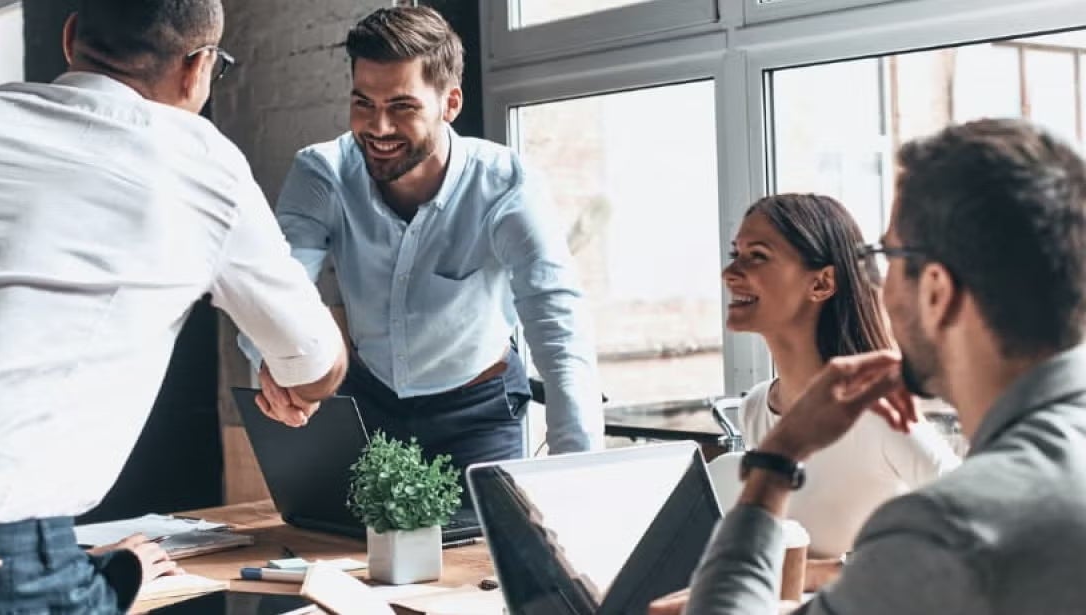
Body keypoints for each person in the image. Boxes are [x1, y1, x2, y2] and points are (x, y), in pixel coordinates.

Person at [0, 1, 348, 613]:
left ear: (72, 36)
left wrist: (106, 580)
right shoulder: (195, 160)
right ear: (198, 68)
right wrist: (290, 378)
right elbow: (315, 364)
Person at [650, 118, 1086, 615]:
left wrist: (776, 461)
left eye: (885, 256)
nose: (875, 282)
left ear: (937, 292)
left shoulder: (949, 529)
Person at [251, 6, 604, 475]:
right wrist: (272, 363)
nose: (378, 128)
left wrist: (578, 474)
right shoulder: (323, 173)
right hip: (368, 403)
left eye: (402, 107)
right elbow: (278, 284)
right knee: (347, 546)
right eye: (364, 104)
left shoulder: (506, 186)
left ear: (450, 103)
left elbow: (558, 325)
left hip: (477, 413)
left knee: (484, 549)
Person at [722, 193, 958, 586]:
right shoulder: (756, 408)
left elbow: (978, 528)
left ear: (822, 282)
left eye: (757, 256)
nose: (730, 272)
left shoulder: (878, 413)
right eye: (736, 253)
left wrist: (822, 573)